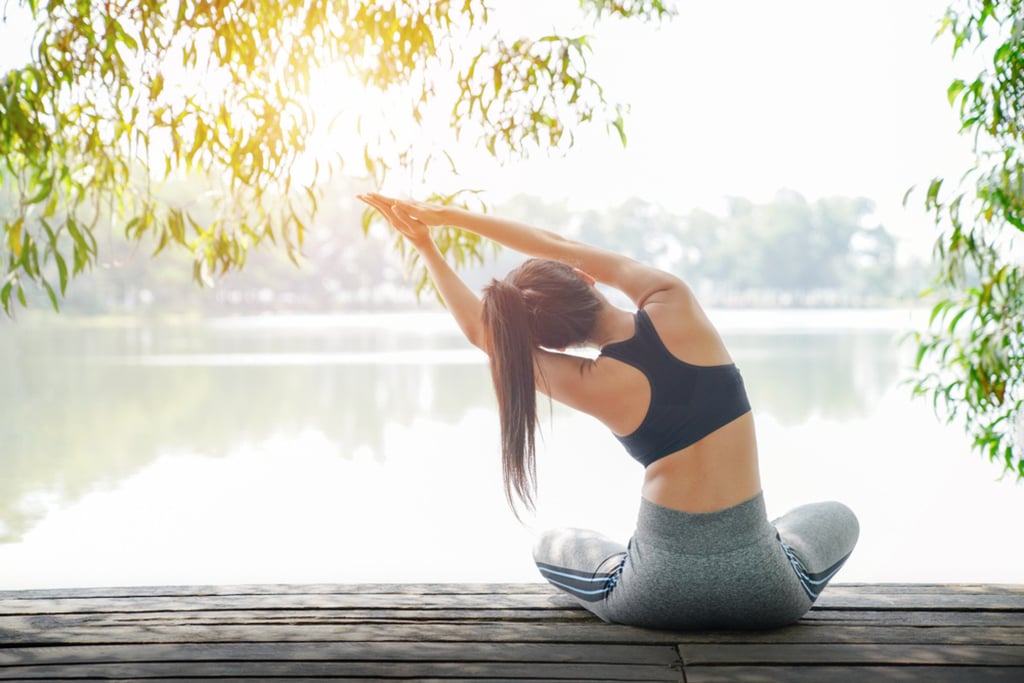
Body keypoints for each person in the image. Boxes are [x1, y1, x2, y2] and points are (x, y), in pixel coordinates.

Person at [358, 192, 859, 630]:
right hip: (767, 594)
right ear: (585, 279)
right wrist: (445, 217)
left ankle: (640, 561)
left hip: (654, 595)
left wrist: (425, 247)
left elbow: (481, 334)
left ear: (552, 343)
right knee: (837, 516)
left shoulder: (591, 382)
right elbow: (553, 243)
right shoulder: (671, 300)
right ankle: (761, 544)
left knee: (553, 543)